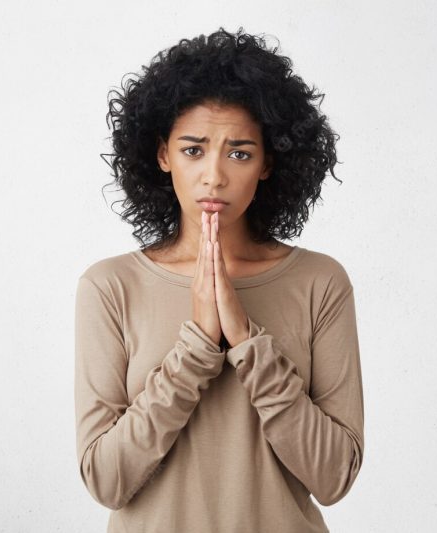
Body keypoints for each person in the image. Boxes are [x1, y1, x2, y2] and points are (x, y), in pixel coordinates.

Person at [74, 26, 364, 532]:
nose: (214, 175)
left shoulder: (320, 282)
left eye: (239, 153)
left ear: (268, 164)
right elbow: (106, 480)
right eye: (193, 150)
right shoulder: (110, 286)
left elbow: (334, 476)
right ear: (162, 155)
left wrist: (248, 343)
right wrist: (198, 349)